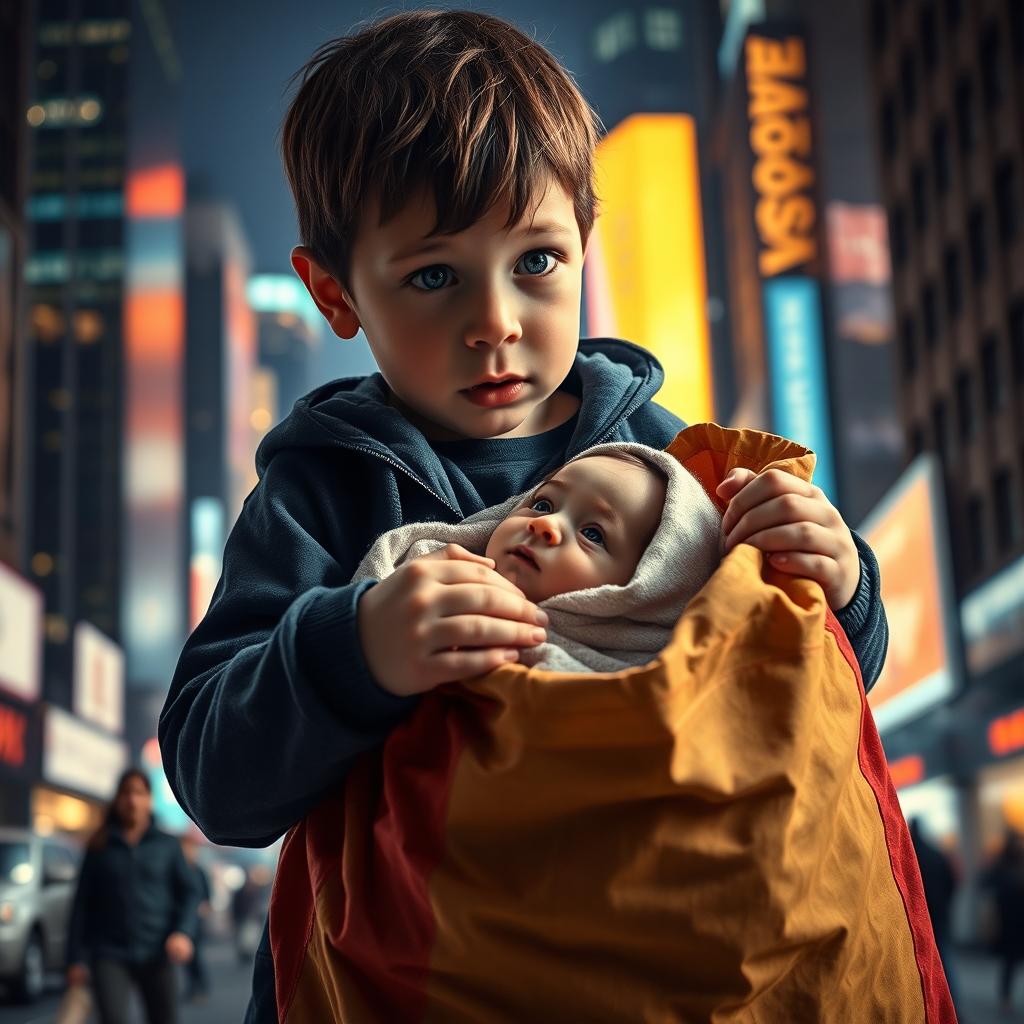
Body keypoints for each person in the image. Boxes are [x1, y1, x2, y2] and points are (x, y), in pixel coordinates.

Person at [157, 11, 889, 1020]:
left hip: (650, 975)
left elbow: (794, 704)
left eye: (536, 261)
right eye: (433, 275)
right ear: (334, 293)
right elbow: (215, 778)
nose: (495, 320)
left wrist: (841, 590)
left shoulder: (673, 463)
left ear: (586, 245)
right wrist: (355, 648)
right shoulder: (322, 490)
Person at [354, 443, 723, 672]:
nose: (545, 524)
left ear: (647, 590)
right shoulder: (432, 572)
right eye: (544, 504)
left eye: (593, 534)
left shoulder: (640, 673)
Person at [65, 769, 199, 1024]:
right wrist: (74, 959)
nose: (132, 800)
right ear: (117, 799)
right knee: (113, 1018)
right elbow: (81, 904)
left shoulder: (167, 845)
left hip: (158, 951)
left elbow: (191, 892)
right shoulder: (99, 846)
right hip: (109, 953)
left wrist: (183, 932)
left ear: (149, 800)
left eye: (139, 793)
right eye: (126, 793)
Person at [908, 818, 959, 1008]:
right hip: (940, 912)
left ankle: (930, 1003)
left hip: (920, 915)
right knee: (943, 955)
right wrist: (946, 902)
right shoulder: (937, 854)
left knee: (923, 957)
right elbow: (952, 882)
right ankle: (951, 1002)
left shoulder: (912, 856)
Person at [984, 829, 1024, 1012]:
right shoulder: (1002, 866)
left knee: (1010, 962)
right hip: (1009, 922)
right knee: (1009, 962)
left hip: (1014, 919)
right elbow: (986, 882)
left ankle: (1005, 998)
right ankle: (1005, 998)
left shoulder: (1009, 865)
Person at [180, 836, 211, 1004]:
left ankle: (201, 988)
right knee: (186, 959)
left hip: (197, 922)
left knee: (196, 957)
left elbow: (207, 894)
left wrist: (204, 906)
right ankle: (192, 987)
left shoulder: (199, 871)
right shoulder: (180, 869)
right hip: (182, 920)